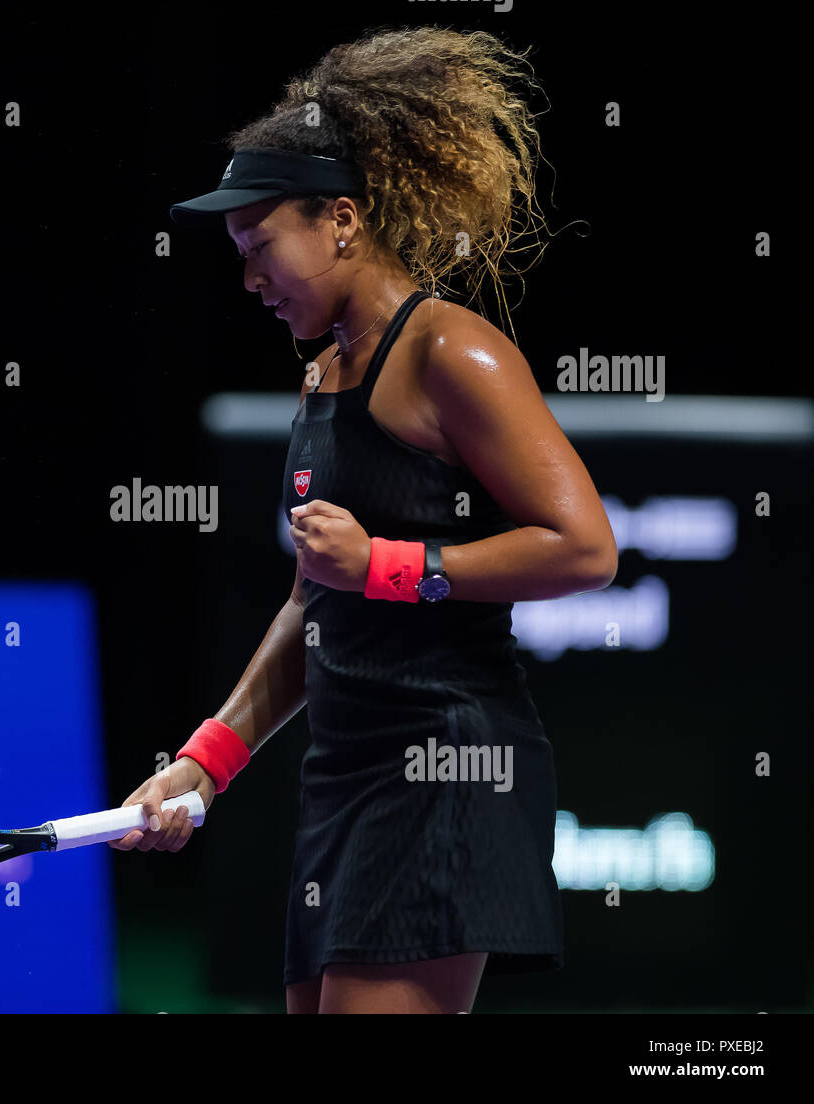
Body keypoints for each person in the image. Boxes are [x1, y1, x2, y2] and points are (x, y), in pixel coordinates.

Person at [110, 26, 616, 1014]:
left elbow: (584, 545)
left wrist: (387, 562)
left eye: (261, 248)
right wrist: (200, 766)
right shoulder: (319, 379)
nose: (249, 279)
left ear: (340, 220)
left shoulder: (450, 353)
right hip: (343, 776)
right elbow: (315, 604)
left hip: (450, 766)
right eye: (238, 256)